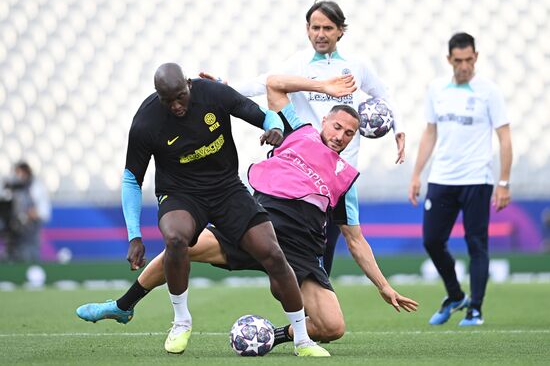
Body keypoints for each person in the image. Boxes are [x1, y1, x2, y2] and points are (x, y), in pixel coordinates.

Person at [77, 74, 418, 347]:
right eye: (337, 126)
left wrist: (384, 287)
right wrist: (322, 86)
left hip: (298, 252)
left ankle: (272, 335)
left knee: (333, 327)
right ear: (324, 121)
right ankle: (124, 305)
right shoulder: (298, 132)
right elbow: (274, 85)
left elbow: (355, 241)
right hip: (253, 225)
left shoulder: (345, 179)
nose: (341, 136)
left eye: (349, 133)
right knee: (179, 247)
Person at [113, 62, 329, 356]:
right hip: (180, 194)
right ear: (158, 96)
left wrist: (275, 128)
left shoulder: (214, 94)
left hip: (227, 189)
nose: (176, 105)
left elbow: (261, 115)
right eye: (168, 100)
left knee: (272, 253)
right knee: (176, 239)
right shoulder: (146, 122)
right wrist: (134, 235)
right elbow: (131, 179)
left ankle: (303, 340)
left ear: (189, 84)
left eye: (180, 96)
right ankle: (181, 321)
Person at [201, 0, 406, 277]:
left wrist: (399, 129)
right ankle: (304, 302)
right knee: (299, 238)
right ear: (307, 29)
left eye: (328, 28)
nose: (320, 34)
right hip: (304, 167)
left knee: (329, 241)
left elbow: (383, 94)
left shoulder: (356, 65)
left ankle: (314, 305)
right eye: (315, 27)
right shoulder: (298, 63)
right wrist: (226, 88)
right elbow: (267, 82)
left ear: (340, 31)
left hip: (339, 172)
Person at [408, 32, 513, 326]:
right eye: (458, 61)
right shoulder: (436, 89)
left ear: (476, 57)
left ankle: (475, 308)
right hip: (442, 178)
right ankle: (455, 296)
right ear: (449, 60)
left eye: (469, 60)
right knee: (432, 241)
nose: (464, 66)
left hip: (477, 179)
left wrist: (503, 182)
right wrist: (417, 174)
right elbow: (430, 132)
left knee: (476, 243)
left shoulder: (489, 91)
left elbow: (504, 137)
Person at [2, 161, 51, 262]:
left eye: (20, 173)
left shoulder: (35, 187)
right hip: (12, 236)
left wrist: (25, 216)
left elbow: (43, 211)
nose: (18, 176)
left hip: (29, 236)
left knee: (28, 259)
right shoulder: (12, 188)